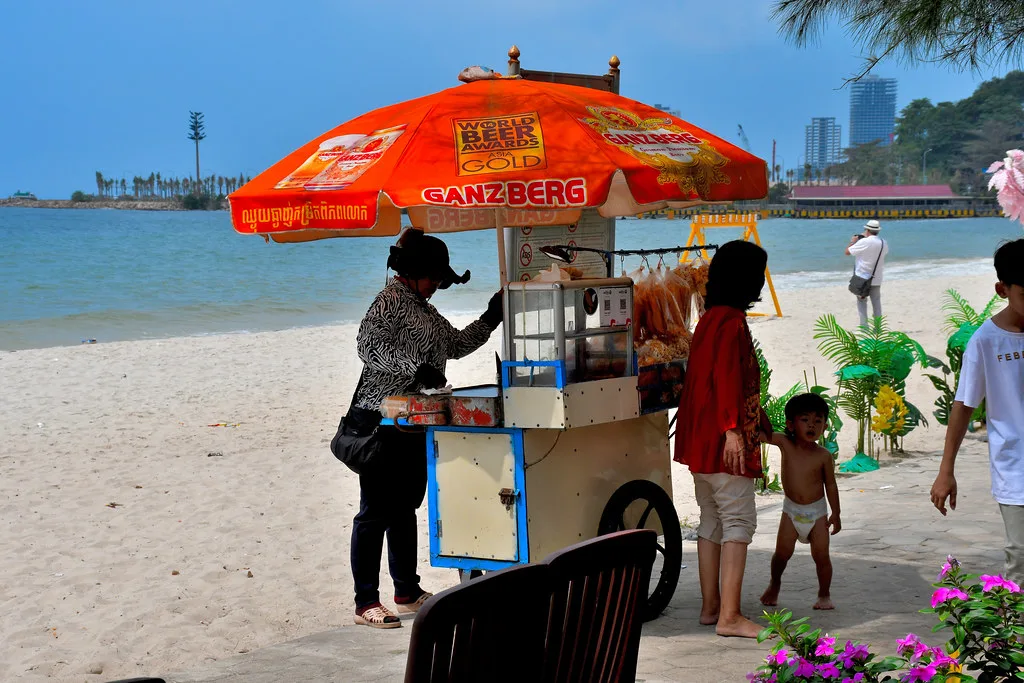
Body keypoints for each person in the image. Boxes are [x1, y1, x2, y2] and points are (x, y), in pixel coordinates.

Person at [349, 228, 503, 628]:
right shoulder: (391, 300)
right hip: (381, 420)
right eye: (434, 277)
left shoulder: (422, 306)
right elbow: (367, 345)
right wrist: (414, 368)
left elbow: (454, 345)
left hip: (415, 424)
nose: (437, 285)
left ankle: (406, 592)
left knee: (404, 509)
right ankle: (365, 601)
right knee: (374, 513)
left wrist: (490, 318)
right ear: (415, 271)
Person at [674, 240, 770, 639]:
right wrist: (733, 430)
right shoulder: (731, 321)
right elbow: (728, 377)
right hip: (723, 439)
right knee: (738, 522)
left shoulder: (708, 318)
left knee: (712, 520)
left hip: (700, 441)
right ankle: (730, 617)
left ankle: (711, 606)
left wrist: (759, 420)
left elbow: (705, 381)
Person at [930, 238, 1024, 584]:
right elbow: (963, 406)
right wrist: (945, 471)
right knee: (1021, 556)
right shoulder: (986, 341)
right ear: (1003, 289)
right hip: (1016, 468)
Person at [758, 393, 841, 610]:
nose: (812, 425)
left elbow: (830, 485)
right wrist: (754, 408)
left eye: (818, 420)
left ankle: (824, 594)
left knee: (822, 557)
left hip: (817, 512)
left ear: (824, 425)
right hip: (791, 511)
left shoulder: (823, 455)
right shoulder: (785, 443)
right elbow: (762, 435)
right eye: (804, 419)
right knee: (782, 554)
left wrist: (836, 513)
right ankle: (774, 584)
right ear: (791, 424)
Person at [845, 219, 889, 327]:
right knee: (876, 303)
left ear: (867, 230)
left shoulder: (864, 242)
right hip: (877, 277)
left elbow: (847, 252)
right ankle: (878, 328)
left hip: (862, 278)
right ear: (877, 231)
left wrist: (853, 241)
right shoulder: (883, 243)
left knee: (861, 302)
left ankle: (864, 327)